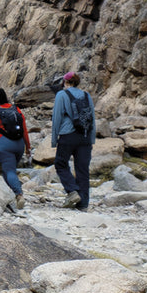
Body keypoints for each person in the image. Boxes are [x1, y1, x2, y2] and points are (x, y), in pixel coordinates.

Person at [51, 71, 96, 209]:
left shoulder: (62, 95)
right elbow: (92, 119)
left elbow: (57, 118)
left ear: (65, 82)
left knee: (60, 163)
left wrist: (54, 140)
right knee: (82, 169)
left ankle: (72, 190)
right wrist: (91, 139)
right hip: (85, 137)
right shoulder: (87, 95)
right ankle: (83, 204)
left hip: (68, 136)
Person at [0, 88, 30, 203]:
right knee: (9, 170)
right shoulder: (16, 109)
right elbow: (24, 130)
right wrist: (28, 147)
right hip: (20, 145)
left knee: (10, 171)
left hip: (6, 145)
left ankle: (19, 194)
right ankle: (10, 196)